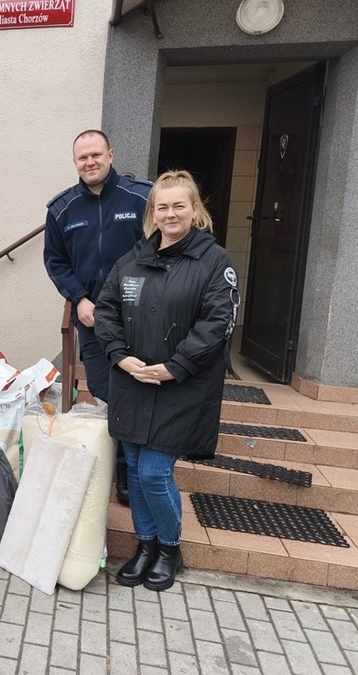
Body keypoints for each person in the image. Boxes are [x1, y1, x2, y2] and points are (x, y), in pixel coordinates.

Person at [94, 170, 240, 592]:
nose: (171, 213)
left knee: (156, 473)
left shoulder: (215, 262)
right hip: (134, 381)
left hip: (182, 387)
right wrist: (119, 357)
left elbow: (218, 322)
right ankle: (144, 546)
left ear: (195, 210)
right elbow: (106, 310)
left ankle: (169, 547)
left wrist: (176, 365)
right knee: (136, 470)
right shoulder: (134, 259)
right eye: (162, 206)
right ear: (152, 213)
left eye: (180, 205)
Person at [44, 129, 151, 504]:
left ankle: (129, 469)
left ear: (110, 154)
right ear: (75, 162)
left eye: (96, 155)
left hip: (141, 316)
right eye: (82, 157)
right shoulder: (62, 209)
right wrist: (79, 299)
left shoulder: (142, 198)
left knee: (139, 387)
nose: (89, 162)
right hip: (92, 317)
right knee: (107, 390)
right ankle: (124, 459)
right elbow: (55, 263)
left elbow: (162, 250)